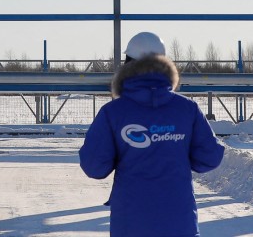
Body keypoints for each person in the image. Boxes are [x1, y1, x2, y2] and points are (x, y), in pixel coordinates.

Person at [79, 31, 225, 237]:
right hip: (179, 223)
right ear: (165, 63)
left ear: (127, 64)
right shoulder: (187, 109)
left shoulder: (113, 112)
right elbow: (210, 157)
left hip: (130, 223)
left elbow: (94, 166)